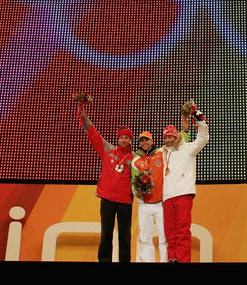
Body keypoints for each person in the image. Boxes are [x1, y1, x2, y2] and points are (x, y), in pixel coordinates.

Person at [131, 115, 190, 263]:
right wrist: (137, 191)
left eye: (147, 140)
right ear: (139, 143)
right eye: (142, 140)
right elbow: (133, 181)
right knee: (145, 239)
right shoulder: (135, 160)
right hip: (144, 204)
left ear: (152, 141)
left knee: (165, 238)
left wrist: (185, 130)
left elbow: (182, 147)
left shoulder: (161, 153)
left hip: (161, 203)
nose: (145, 143)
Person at [80, 107, 134, 263]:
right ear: (118, 139)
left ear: (131, 140)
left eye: (126, 138)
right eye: (121, 138)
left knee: (125, 235)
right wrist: (84, 117)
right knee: (106, 234)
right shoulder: (108, 150)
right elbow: (94, 135)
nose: (123, 140)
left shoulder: (135, 158)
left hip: (125, 201)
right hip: (107, 200)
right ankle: (104, 261)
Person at [162, 104, 209, 263]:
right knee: (169, 232)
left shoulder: (187, 148)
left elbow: (203, 139)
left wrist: (199, 119)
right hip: (167, 197)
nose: (168, 140)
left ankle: (182, 260)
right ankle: (172, 259)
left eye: (171, 137)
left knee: (182, 230)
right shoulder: (161, 154)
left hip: (183, 194)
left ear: (177, 137)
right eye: (166, 137)